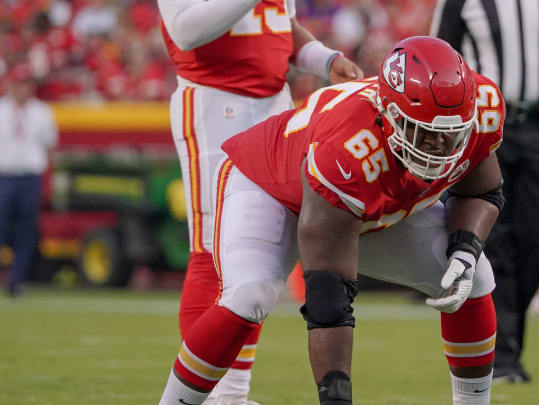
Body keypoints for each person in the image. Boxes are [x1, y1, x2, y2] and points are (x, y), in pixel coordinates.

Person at [159, 36, 505, 405]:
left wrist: (466, 249)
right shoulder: (348, 148)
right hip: (271, 188)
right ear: (387, 115)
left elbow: (482, 192)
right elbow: (329, 302)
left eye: (449, 135)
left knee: (476, 276)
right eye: (425, 133)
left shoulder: (481, 109)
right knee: (249, 296)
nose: (438, 147)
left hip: (364, 205)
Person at [157, 0, 363, 403]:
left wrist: (325, 60)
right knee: (212, 252)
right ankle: (215, 395)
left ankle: (233, 392)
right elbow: (185, 31)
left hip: (273, 104)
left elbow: (279, 27)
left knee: (262, 249)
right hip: (213, 102)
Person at [431, 0, 539, 383]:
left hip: (537, 127)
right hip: (483, 126)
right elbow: (437, 60)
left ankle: (506, 349)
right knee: (495, 243)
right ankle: (504, 357)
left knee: (538, 240)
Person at [0, 64, 57, 297]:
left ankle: (17, 279)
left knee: (27, 230)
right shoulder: (2, 110)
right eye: (22, 84)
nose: (26, 89)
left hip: (30, 177)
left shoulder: (42, 112)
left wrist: (48, 181)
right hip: (5, 176)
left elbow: (50, 146)